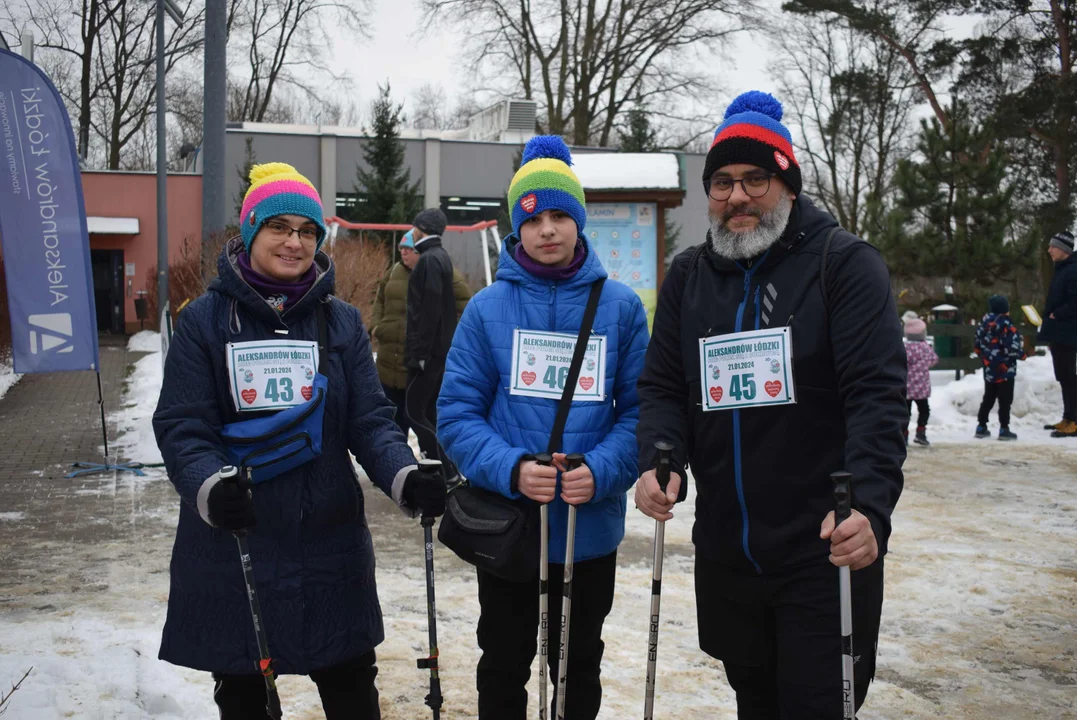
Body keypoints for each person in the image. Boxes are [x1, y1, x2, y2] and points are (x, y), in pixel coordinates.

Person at [633, 91, 907, 720]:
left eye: (757, 178)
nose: (737, 196)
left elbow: (878, 399)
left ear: (786, 182)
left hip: (823, 550)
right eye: (722, 182)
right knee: (755, 703)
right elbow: (665, 388)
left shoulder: (844, 266)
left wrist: (868, 505)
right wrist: (657, 457)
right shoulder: (689, 277)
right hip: (730, 552)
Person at [152, 162, 447, 720]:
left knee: (353, 692)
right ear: (250, 233)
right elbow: (182, 426)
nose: (295, 242)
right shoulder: (205, 324)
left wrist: (405, 475)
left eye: (308, 230)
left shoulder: (340, 323)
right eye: (279, 227)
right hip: (239, 542)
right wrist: (209, 488)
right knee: (245, 698)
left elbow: (370, 421)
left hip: (329, 549)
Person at [436, 136, 650, 719]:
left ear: (579, 222)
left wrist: (603, 471)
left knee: (577, 665)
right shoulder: (485, 309)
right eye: (533, 218)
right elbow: (455, 414)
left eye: (560, 216)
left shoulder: (622, 309)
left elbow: (640, 412)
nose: (547, 230)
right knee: (503, 665)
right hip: (511, 528)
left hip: (589, 529)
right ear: (517, 226)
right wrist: (510, 467)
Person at [370, 229, 473, 438]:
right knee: (392, 424)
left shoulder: (445, 273)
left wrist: (445, 338)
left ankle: (438, 465)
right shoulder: (394, 272)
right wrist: (377, 326)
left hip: (423, 364)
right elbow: (379, 299)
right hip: (389, 362)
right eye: (401, 248)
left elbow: (467, 308)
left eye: (409, 249)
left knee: (423, 419)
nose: (403, 253)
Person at [404, 208, 460, 476]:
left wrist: (421, 354)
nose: (412, 231)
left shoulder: (429, 260)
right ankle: (448, 467)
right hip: (437, 352)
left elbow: (428, 311)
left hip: (429, 354)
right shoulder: (440, 257)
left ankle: (447, 470)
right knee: (429, 412)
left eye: (415, 226)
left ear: (422, 228)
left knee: (413, 411)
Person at [1038, 230, 1077, 438]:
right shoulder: (1061, 270)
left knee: (1069, 377)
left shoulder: (1073, 270)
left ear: (1063, 249)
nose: (1049, 250)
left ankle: (1075, 420)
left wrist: (1056, 314)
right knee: (1063, 376)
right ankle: (1068, 418)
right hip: (1058, 333)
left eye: (1053, 246)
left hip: (1068, 332)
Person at [974, 295, 1027, 440]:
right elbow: (1012, 347)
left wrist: (986, 359)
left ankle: (981, 426)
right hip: (1005, 369)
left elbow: (977, 346)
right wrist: (1022, 354)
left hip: (989, 369)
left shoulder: (983, 324)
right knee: (1005, 400)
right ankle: (1004, 428)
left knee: (988, 398)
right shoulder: (1006, 325)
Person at [903, 316, 939, 446]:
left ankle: (904, 435)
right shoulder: (925, 347)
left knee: (905, 412)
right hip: (921, 388)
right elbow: (934, 360)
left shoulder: (904, 348)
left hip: (906, 388)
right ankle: (921, 433)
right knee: (924, 410)